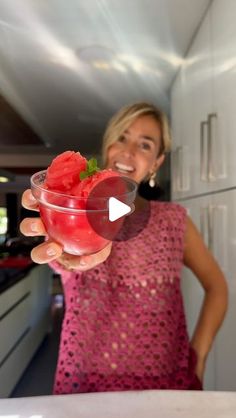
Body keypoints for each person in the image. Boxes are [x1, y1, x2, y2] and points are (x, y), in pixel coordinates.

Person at [20, 102, 228, 394]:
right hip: (84, 383)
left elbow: (217, 286)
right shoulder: (73, 213)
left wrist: (200, 356)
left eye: (145, 145)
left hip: (166, 382)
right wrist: (66, 253)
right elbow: (64, 257)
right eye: (122, 137)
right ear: (108, 146)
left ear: (157, 162)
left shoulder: (174, 221)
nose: (129, 151)